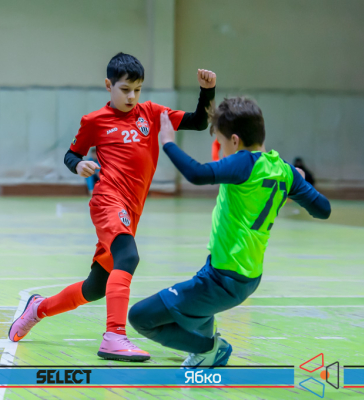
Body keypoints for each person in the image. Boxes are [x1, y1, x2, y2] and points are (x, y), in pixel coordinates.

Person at [8, 52, 217, 361]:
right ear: (109, 85)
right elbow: (71, 154)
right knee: (128, 256)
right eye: (125, 89)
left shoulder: (151, 113)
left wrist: (207, 91)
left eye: (137, 89)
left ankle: (38, 308)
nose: (132, 96)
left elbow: (198, 122)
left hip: (131, 210)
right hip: (108, 200)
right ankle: (114, 336)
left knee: (95, 287)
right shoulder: (94, 121)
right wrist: (78, 165)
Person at [128, 97, 331, 368]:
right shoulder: (283, 169)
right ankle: (204, 344)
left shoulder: (244, 163)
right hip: (246, 276)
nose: (222, 151)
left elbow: (197, 174)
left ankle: (210, 349)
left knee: (140, 317)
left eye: (221, 143)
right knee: (194, 310)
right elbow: (323, 209)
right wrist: (297, 182)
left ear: (235, 141)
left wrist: (167, 143)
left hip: (223, 280)